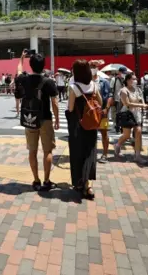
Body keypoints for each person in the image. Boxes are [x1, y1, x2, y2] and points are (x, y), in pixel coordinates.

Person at [16, 50, 60, 191]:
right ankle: (47, 181)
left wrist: (21, 58)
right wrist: (57, 119)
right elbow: (55, 103)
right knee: (47, 151)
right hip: (45, 119)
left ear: (31, 65)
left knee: (32, 151)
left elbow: (18, 72)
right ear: (43, 65)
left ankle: (36, 180)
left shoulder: (24, 79)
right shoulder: (48, 82)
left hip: (30, 119)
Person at [66, 59, 100, 199]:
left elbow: (71, 108)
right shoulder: (93, 85)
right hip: (91, 124)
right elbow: (101, 102)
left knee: (77, 153)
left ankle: (80, 183)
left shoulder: (74, 87)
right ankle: (88, 185)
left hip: (78, 125)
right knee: (89, 153)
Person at [114, 73, 147, 163]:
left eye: (136, 79)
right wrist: (141, 105)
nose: (135, 80)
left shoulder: (138, 89)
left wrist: (142, 103)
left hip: (137, 114)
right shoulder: (123, 91)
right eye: (133, 79)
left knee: (138, 132)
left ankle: (137, 156)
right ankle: (117, 144)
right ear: (128, 80)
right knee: (127, 135)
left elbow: (141, 99)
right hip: (127, 114)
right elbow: (127, 103)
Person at [109, 67, 127, 133]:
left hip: (125, 99)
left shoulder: (126, 79)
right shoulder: (114, 79)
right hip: (116, 99)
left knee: (124, 113)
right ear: (119, 72)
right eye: (122, 72)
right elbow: (111, 89)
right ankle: (117, 126)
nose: (124, 74)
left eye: (124, 73)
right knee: (117, 113)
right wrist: (111, 98)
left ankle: (122, 127)